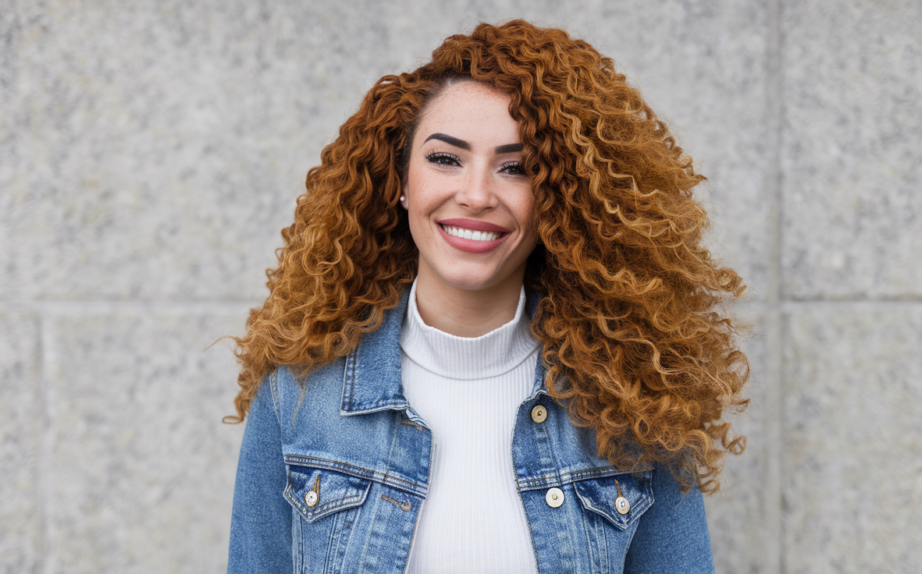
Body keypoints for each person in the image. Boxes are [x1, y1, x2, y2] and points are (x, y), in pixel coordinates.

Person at [226, 19, 748, 573]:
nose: (476, 195)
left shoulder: (634, 401)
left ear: (560, 200)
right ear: (400, 181)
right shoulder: (299, 395)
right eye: (445, 158)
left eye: (516, 168)